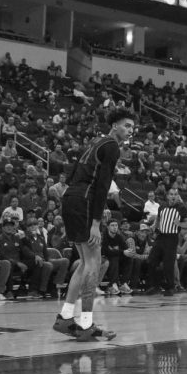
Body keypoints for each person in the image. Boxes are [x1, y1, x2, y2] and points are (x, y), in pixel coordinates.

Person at [53, 108, 134, 341]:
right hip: (85, 200)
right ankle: (87, 323)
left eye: (132, 127)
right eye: (126, 126)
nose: (130, 130)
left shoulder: (96, 141)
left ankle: (66, 317)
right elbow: (101, 187)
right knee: (94, 263)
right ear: (115, 125)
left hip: (72, 197)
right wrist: (96, 223)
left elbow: (74, 173)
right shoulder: (112, 146)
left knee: (83, 264)